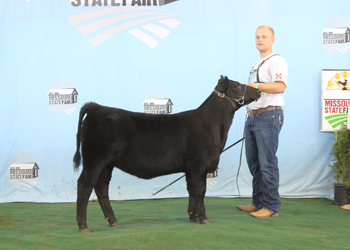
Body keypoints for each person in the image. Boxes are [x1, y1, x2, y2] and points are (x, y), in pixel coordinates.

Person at [237, 25, 288, 218]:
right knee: (254, 163)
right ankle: (257, 202)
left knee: (267, 162)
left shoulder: (277, 61)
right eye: (257, 37)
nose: (260, 40)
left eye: (264, 37)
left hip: (269, 116)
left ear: (272, 40)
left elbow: (280, 87)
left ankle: (271, 206)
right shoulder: (256, 64)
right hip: (253, 117)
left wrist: (256, 85)